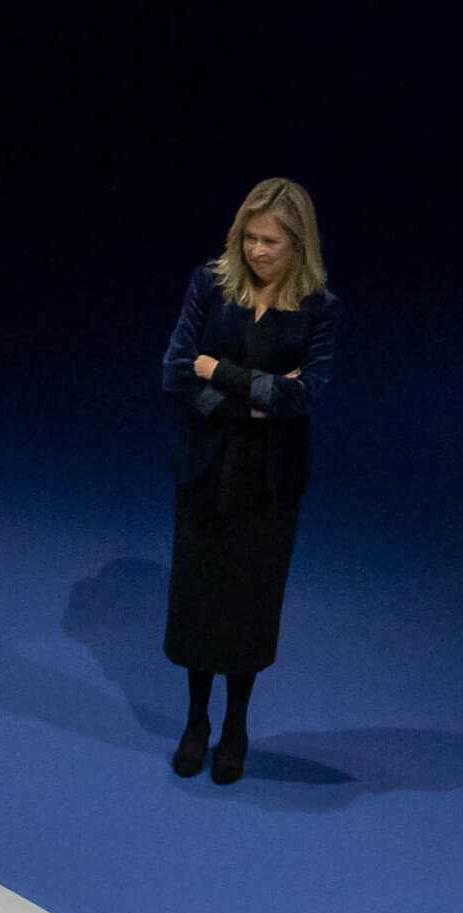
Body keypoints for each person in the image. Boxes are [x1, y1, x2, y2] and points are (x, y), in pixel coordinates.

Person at [159, 177, 341, 785]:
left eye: (271, 242)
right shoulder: (208, 286)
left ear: (298, 245)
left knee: (249, 604)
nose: (258, 251)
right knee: (200, 599)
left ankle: (235, 726)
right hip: (206, 466)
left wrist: (221, 373)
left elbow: (302, 396)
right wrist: (258, 399)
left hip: (270, 479)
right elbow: (176, 374)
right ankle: (196, 722)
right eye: (250, 238)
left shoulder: (319, 308)